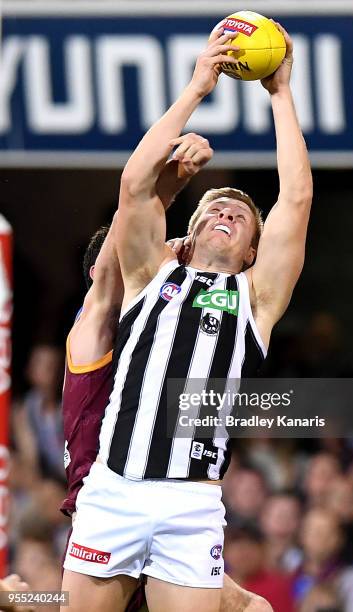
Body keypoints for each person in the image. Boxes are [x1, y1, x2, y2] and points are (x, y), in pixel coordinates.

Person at [63, 21, 312, 612]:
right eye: (213, 205)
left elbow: (296, 199)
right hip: (113, 491)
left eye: (241, 215)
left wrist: (280, 93)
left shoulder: (255, 298)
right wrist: (197, 86)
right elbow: (134, 184)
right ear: (188, 230)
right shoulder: (150, 274)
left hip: (190, 505)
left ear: (254, 250)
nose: (225, 210)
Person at [60, 136, 271, 612]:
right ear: (100, 271)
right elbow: (130, 205)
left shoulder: (154, 323)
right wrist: (173, 181)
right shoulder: (93, 323)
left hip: (148, 501)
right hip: (108, 497)